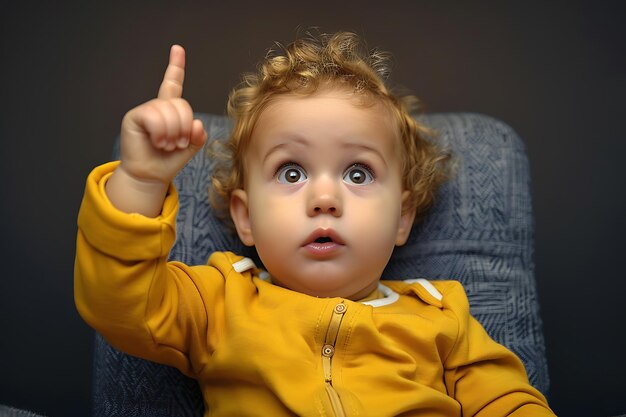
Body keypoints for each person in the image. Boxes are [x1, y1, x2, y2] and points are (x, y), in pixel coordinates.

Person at [75, 31, 556, 416]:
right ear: (245, 217)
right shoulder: (219, 301)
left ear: (402, 218)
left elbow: (507, 401)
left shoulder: (442, 315)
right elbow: (119, 302)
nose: (324, 198)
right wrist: (141, 179)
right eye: (291, 172)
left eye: (357, 173)